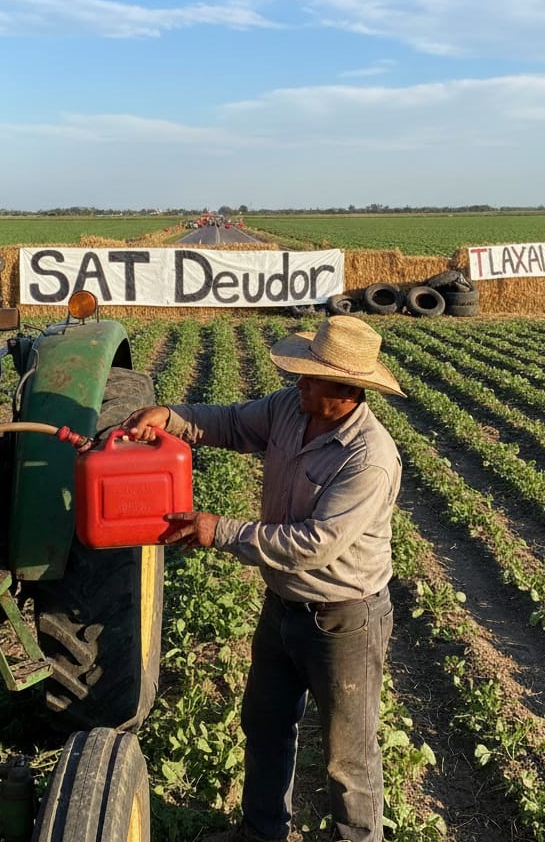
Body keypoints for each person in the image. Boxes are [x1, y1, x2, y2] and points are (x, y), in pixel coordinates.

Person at [121, 315, 405, 842]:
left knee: (349, 758)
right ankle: (260, 833)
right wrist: (172, 417)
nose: (298, 382)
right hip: (282, 609)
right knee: (266, 726)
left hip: (344, 622)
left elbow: (312, 545)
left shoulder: (369, 459)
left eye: (311, 377)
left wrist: (219, 530)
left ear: (347, 391)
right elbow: (230, 422)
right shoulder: (288, 411)